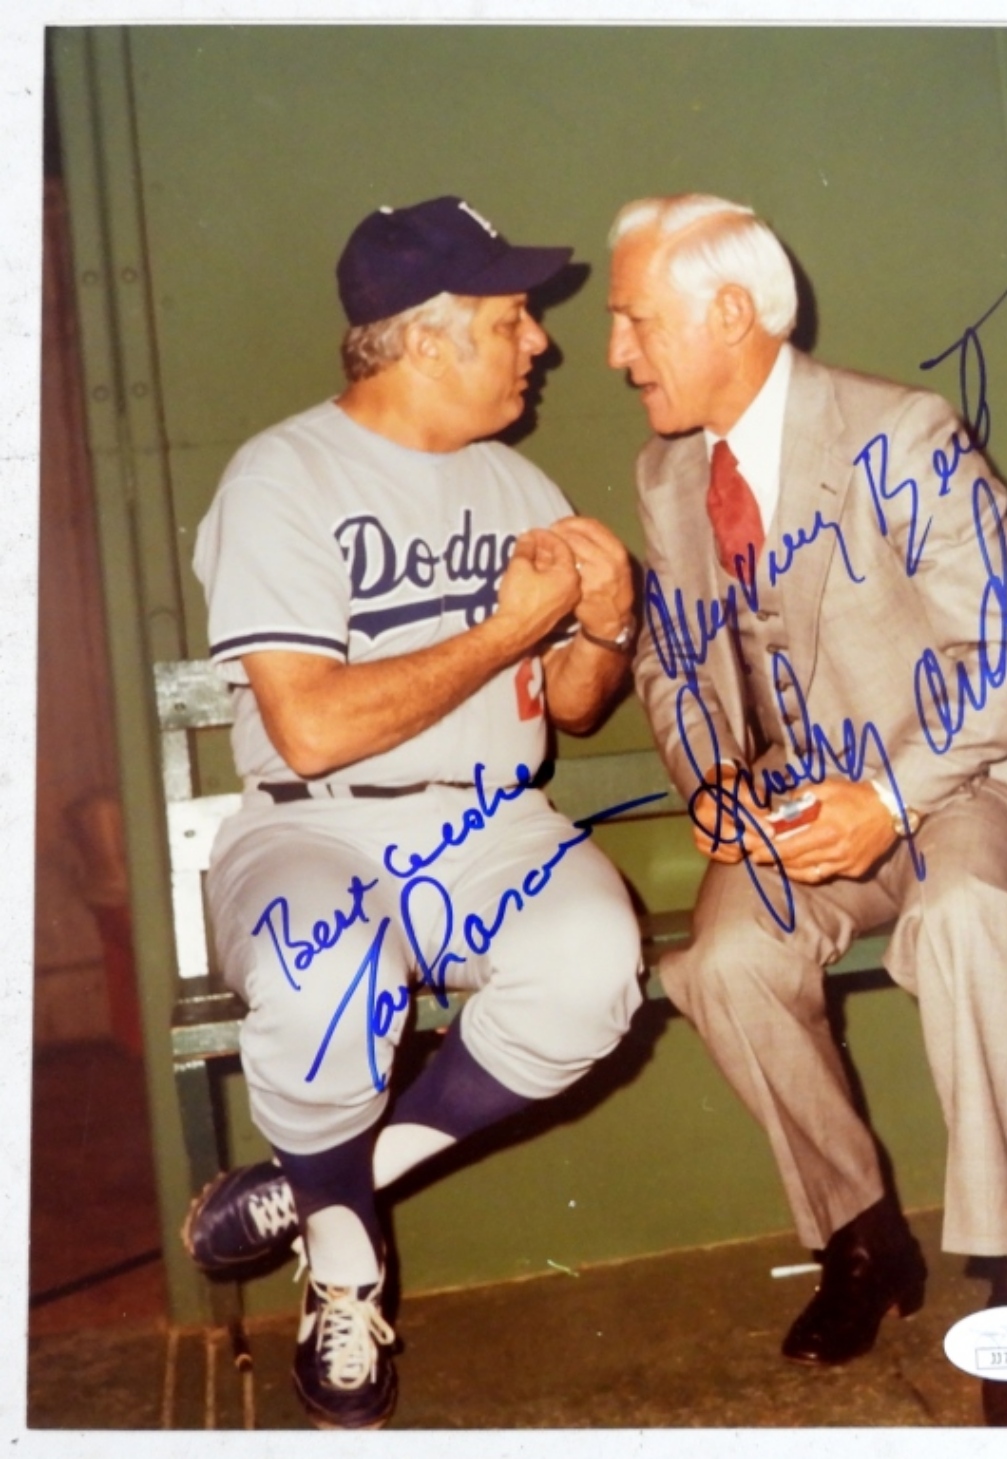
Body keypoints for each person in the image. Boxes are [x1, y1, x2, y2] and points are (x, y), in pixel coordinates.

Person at [606, 192, 1007, 1428]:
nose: (618, 352)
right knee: (724, 962)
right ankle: (861, 1238)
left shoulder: (898, 431)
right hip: (801, 807)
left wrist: (888, 796)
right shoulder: (665, 473)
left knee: (968, 922)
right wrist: (711, 777)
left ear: (727, 313)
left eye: (636, 321)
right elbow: (670, 663)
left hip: (957, 785)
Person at [183, 195, 642, 1430]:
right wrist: (503, 630)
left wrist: (605, 627)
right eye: (511, 318)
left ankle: (325, 1186)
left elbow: (573, 706)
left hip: (489, 827)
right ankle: (344, 1273)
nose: (539, 341)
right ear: (427, 340)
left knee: (595, 965)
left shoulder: (518, 479)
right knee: (323, 969)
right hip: (312, 824)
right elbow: (311, 728)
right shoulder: (281, 475)